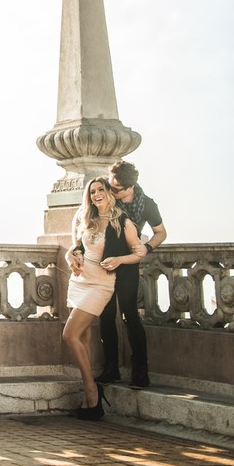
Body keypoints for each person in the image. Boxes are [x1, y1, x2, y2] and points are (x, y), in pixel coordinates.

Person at [63, 176, 146, 420]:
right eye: (92, 192)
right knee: (84, 337)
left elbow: (139, 251)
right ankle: (89, 401)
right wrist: (71, 257)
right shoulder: (85, 217)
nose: (96, 194)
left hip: (101, 284)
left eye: (101, 189)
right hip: (79, 281)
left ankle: (92, 390)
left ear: (109, 193)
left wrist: (119, 260)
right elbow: (75, 247)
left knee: (70, 335)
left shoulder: (122, 221)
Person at [95, 159, 167, 388]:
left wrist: (148, 247)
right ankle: (111, 368)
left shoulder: (146, 204)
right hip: (104, 263)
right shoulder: (105, 197)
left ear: (129, 187)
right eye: (109, 183)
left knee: (130, 315)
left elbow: (161, 233)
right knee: (105, 316)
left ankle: (140, 371)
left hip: (128, 264)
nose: (110, 189)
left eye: (115, 188)